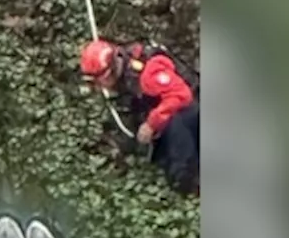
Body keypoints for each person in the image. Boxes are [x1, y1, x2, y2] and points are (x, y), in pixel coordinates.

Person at [79, 38, 199, 195]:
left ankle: (190, 183)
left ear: (108, 74)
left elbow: (182, 96)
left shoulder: (147, 75)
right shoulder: (125, 75)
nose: (95, 87)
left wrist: (151, 124)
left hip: (194, 112)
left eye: (95, 82)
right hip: (178, 113)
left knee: (179, 171)